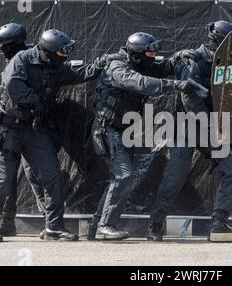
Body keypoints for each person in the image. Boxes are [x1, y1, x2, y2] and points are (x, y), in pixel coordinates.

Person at [0, 29, 106, 242]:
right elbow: (14, 86)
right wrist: (38, 103)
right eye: (62, 52)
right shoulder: (22, 59)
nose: (65, 55)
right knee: (2, 179)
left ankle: (54, 227)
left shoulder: (56, 66)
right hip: (10, 129)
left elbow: (81, 73)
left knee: (52, 176)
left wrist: (102, 63)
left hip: (34, 130)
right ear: (48, 52)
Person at [88, 32, 207, 240]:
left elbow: (162, 68)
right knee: (123, 175)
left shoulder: (141, 63)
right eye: (149, 53)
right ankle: (105, 225)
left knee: (119, 178)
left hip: (123, 130)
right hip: (107, 129)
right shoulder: (118, 66)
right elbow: (139, 83)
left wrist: (180, 56)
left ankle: (96, 226)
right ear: (136, 54)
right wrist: (175, 85)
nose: (153, 57)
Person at [147, 20, 232, 242]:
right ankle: (155, 224)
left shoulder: (226, 62)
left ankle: (218, 223)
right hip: (187, 125)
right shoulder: (192, 61)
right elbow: (191, 103)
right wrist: (217, 132)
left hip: (210, 126)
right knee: (175, 178)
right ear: (218, 42)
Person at [0, 23, 46, 237]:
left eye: (3, 45)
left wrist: (35, 103)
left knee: (36, 175)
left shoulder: (25, 60)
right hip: (10, 128)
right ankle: (2, 224)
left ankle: (50, 223)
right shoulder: (17, 60)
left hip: (26, 128)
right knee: (6, 179)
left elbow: (19, 91)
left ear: (12, 44)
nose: (0, 49)